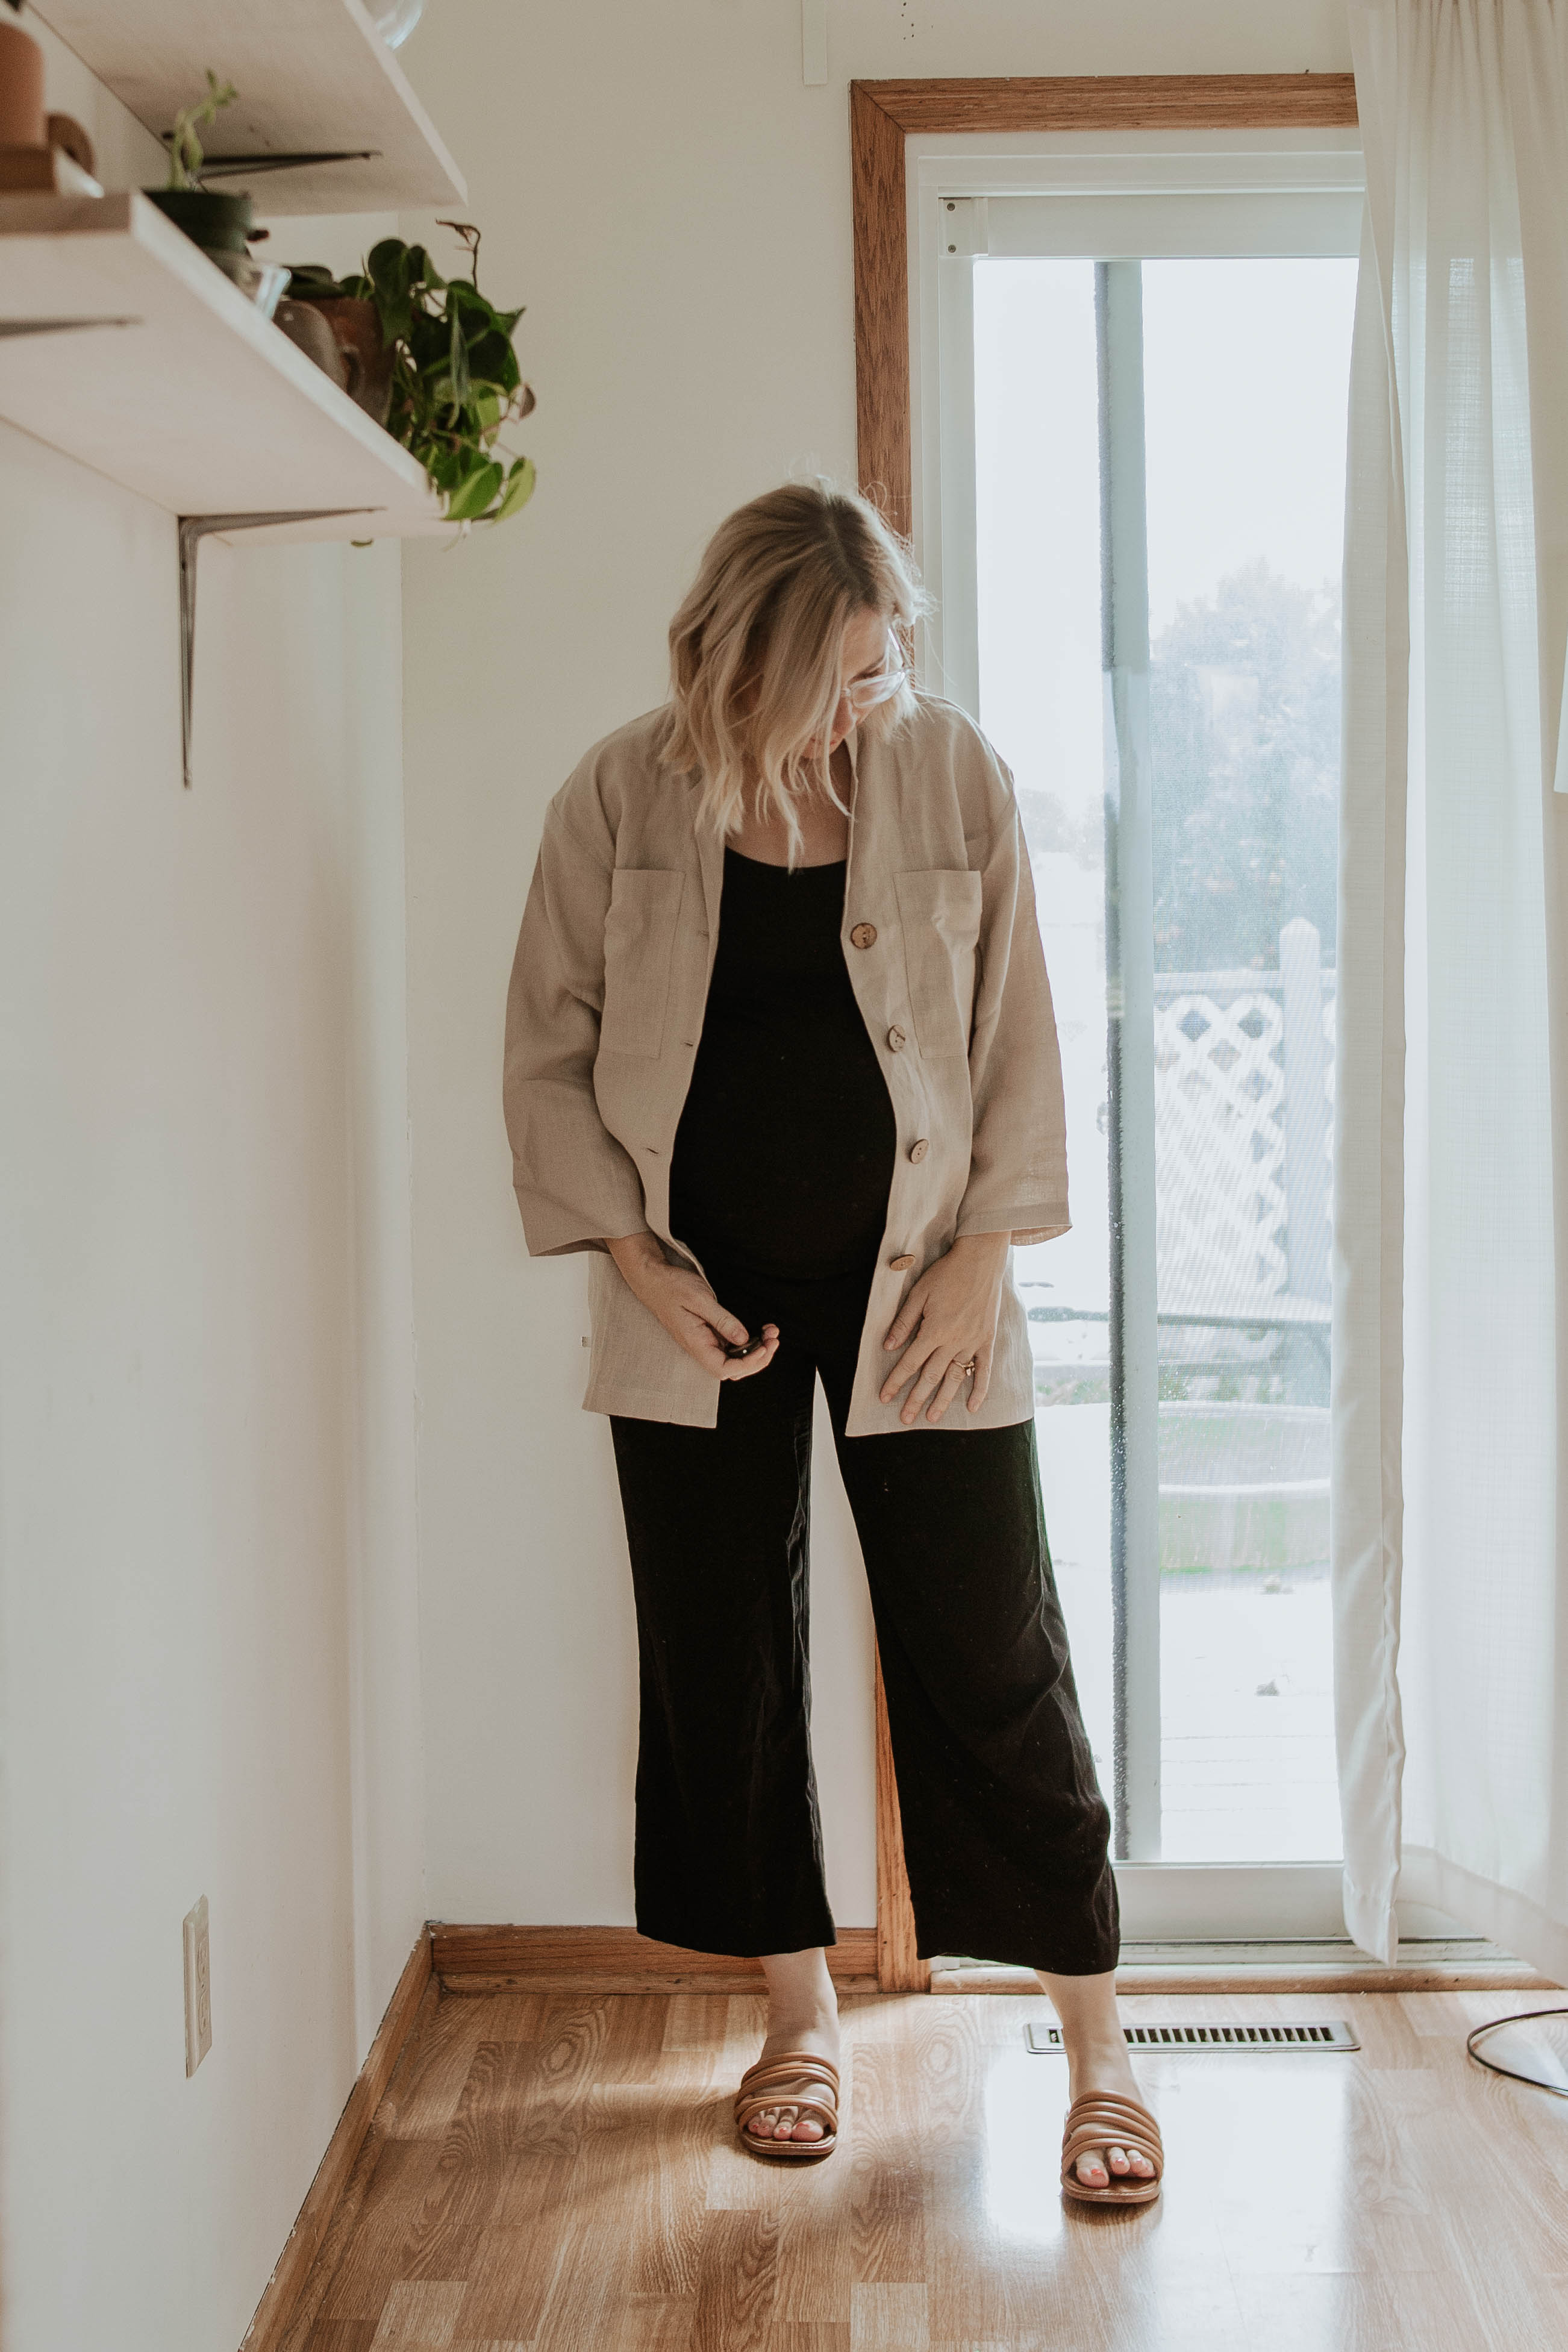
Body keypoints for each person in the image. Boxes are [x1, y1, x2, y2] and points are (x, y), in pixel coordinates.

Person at [502, 482, 1161, 2203]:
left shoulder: (953, 775)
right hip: (692, 1302)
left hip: (922, 1286)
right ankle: (797, 2021)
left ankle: (1100, 2048)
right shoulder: (617, 795)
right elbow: (547, 1052)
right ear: (742, 665)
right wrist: (633, 1261)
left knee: (993, 1650)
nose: (868, 706)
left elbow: (1016, 1030)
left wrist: (988, 1256)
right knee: (719, 1659)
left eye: (886, 668)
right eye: (838, 680)